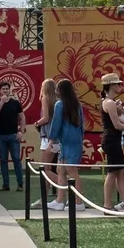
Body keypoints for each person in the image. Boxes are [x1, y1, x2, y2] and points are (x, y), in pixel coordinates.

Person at [99, 74, 124, 212]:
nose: (120, 86)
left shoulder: (110, 102)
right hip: (111, 140)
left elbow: (119, 120)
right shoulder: (109, 102)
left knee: (120, 172)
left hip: (113, 139)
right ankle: (107, 204)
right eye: (117, 84)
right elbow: (117, 125)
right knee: (112, 173)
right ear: (111, 86)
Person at [47, 79, 86, 210]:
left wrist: (51, 140)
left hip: (68, 142)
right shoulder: (77, 104)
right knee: (61, 170)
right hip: (73, 141)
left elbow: (56, 123)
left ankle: (79, 202)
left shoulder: (60, 104)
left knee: (71, 171)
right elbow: (82, 125)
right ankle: (59, 201)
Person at [0, 81, 25, 190]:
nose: (5, 91)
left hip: (13, 135)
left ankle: (20, 184)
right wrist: (1, 102)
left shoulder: (15, 103)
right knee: (3, 160)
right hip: (0, 136)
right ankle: (5, 184)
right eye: (3, 89)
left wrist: (21, 131)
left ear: (9, 90)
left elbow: (22, 117)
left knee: (16, 159)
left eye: (7, 89)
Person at [36, 76, 59, 202]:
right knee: (49, 169)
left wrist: (37, 123)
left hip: (48, 138)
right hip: (57, 138)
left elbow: (45, 118)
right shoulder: (58, 100)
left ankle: (68, 186)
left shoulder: (45, 98)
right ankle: (43, 198)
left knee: (45, 170)